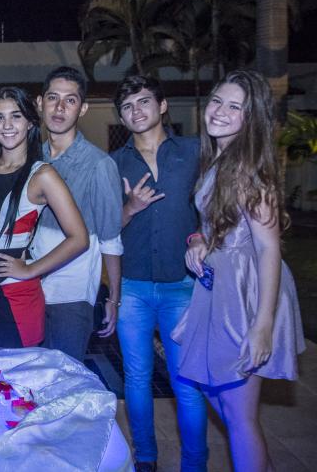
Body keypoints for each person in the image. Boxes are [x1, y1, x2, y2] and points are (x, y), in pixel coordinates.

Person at [172, 70, 306, 472]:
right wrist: (199, 239)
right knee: (219, 398)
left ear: (252, 118)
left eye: (235, 107)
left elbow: (268, 247)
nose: (220, 111)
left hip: (246, 294)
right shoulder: (220, 159)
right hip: (221, 287)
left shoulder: (249, 170)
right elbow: (221, 223)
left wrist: (263, 325)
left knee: (239, 415)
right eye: (217, 101)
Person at [110, 76, 208, 472]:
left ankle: (195, 464)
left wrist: (202, 234)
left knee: (186, 382)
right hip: (131, 286)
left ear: (162, 105)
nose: (136, 111)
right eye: (127, 106)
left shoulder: (195, 151)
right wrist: (130, 208)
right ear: (121, 117)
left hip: (182, 286)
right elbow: (102, 228)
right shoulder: (114, 164)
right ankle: (146, 458)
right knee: (137, 378)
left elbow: (217, 206)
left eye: (144, 101)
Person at [0, 87, 88, 350]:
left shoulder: (42, 175)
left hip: (13, 301)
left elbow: (79, 238)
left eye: (16, 116)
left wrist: (30, 269)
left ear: (30, 122)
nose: (7, 125)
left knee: (11, 379)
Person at [30, 67, 123, 362]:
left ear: (82, 109)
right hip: (30, 290)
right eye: (53, 98)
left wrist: (114, 299)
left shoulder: (99, 164)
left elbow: (111, 239)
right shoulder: (30, 159)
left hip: (71, 295)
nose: (59, 107)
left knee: (65, 376)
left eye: (70, 100)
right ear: (40, 103)